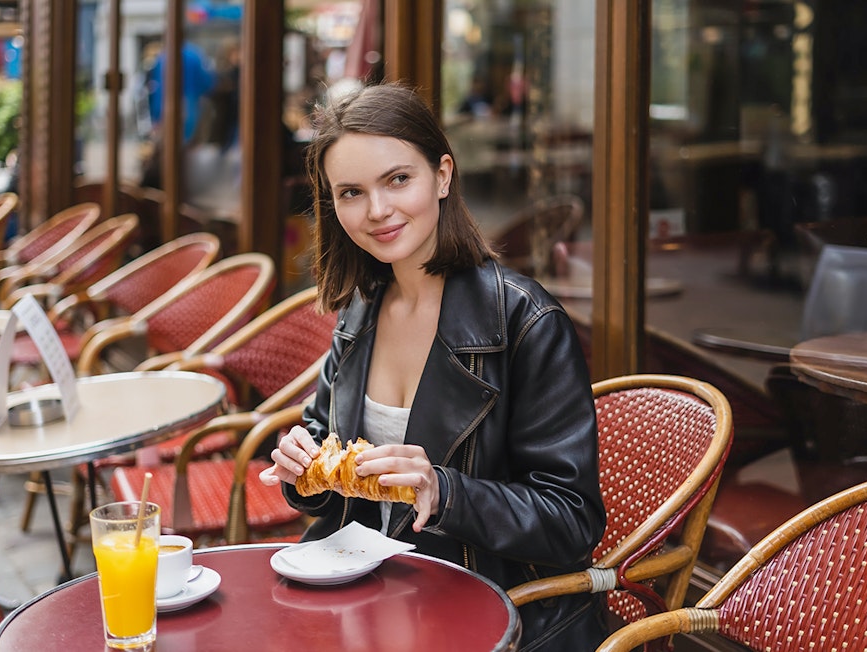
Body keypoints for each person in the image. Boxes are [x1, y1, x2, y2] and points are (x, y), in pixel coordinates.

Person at [258, 82, 607, 650]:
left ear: (443, 175)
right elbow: (328, 446)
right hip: (371, 597)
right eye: (350, 192)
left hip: (493, 608)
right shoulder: (361, 308)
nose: (377, 211)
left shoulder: (524, 320)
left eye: (398, 179)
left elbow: (572, 520)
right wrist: (306, 472)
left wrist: (445, 493)